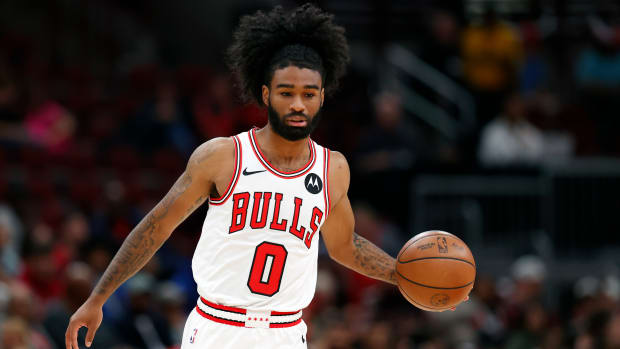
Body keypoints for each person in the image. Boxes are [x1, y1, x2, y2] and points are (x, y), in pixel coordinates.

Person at [65, 4, 463, 348]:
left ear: (322, 97)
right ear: (265, 93)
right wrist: (98, 297)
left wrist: (399, 272)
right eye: (286, 91)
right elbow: (156, 227)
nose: (297, 103)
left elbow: (344, 246)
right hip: (217, 329)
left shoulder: (333, 168)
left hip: (286, 335)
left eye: (309, 93)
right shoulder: (222, 156)